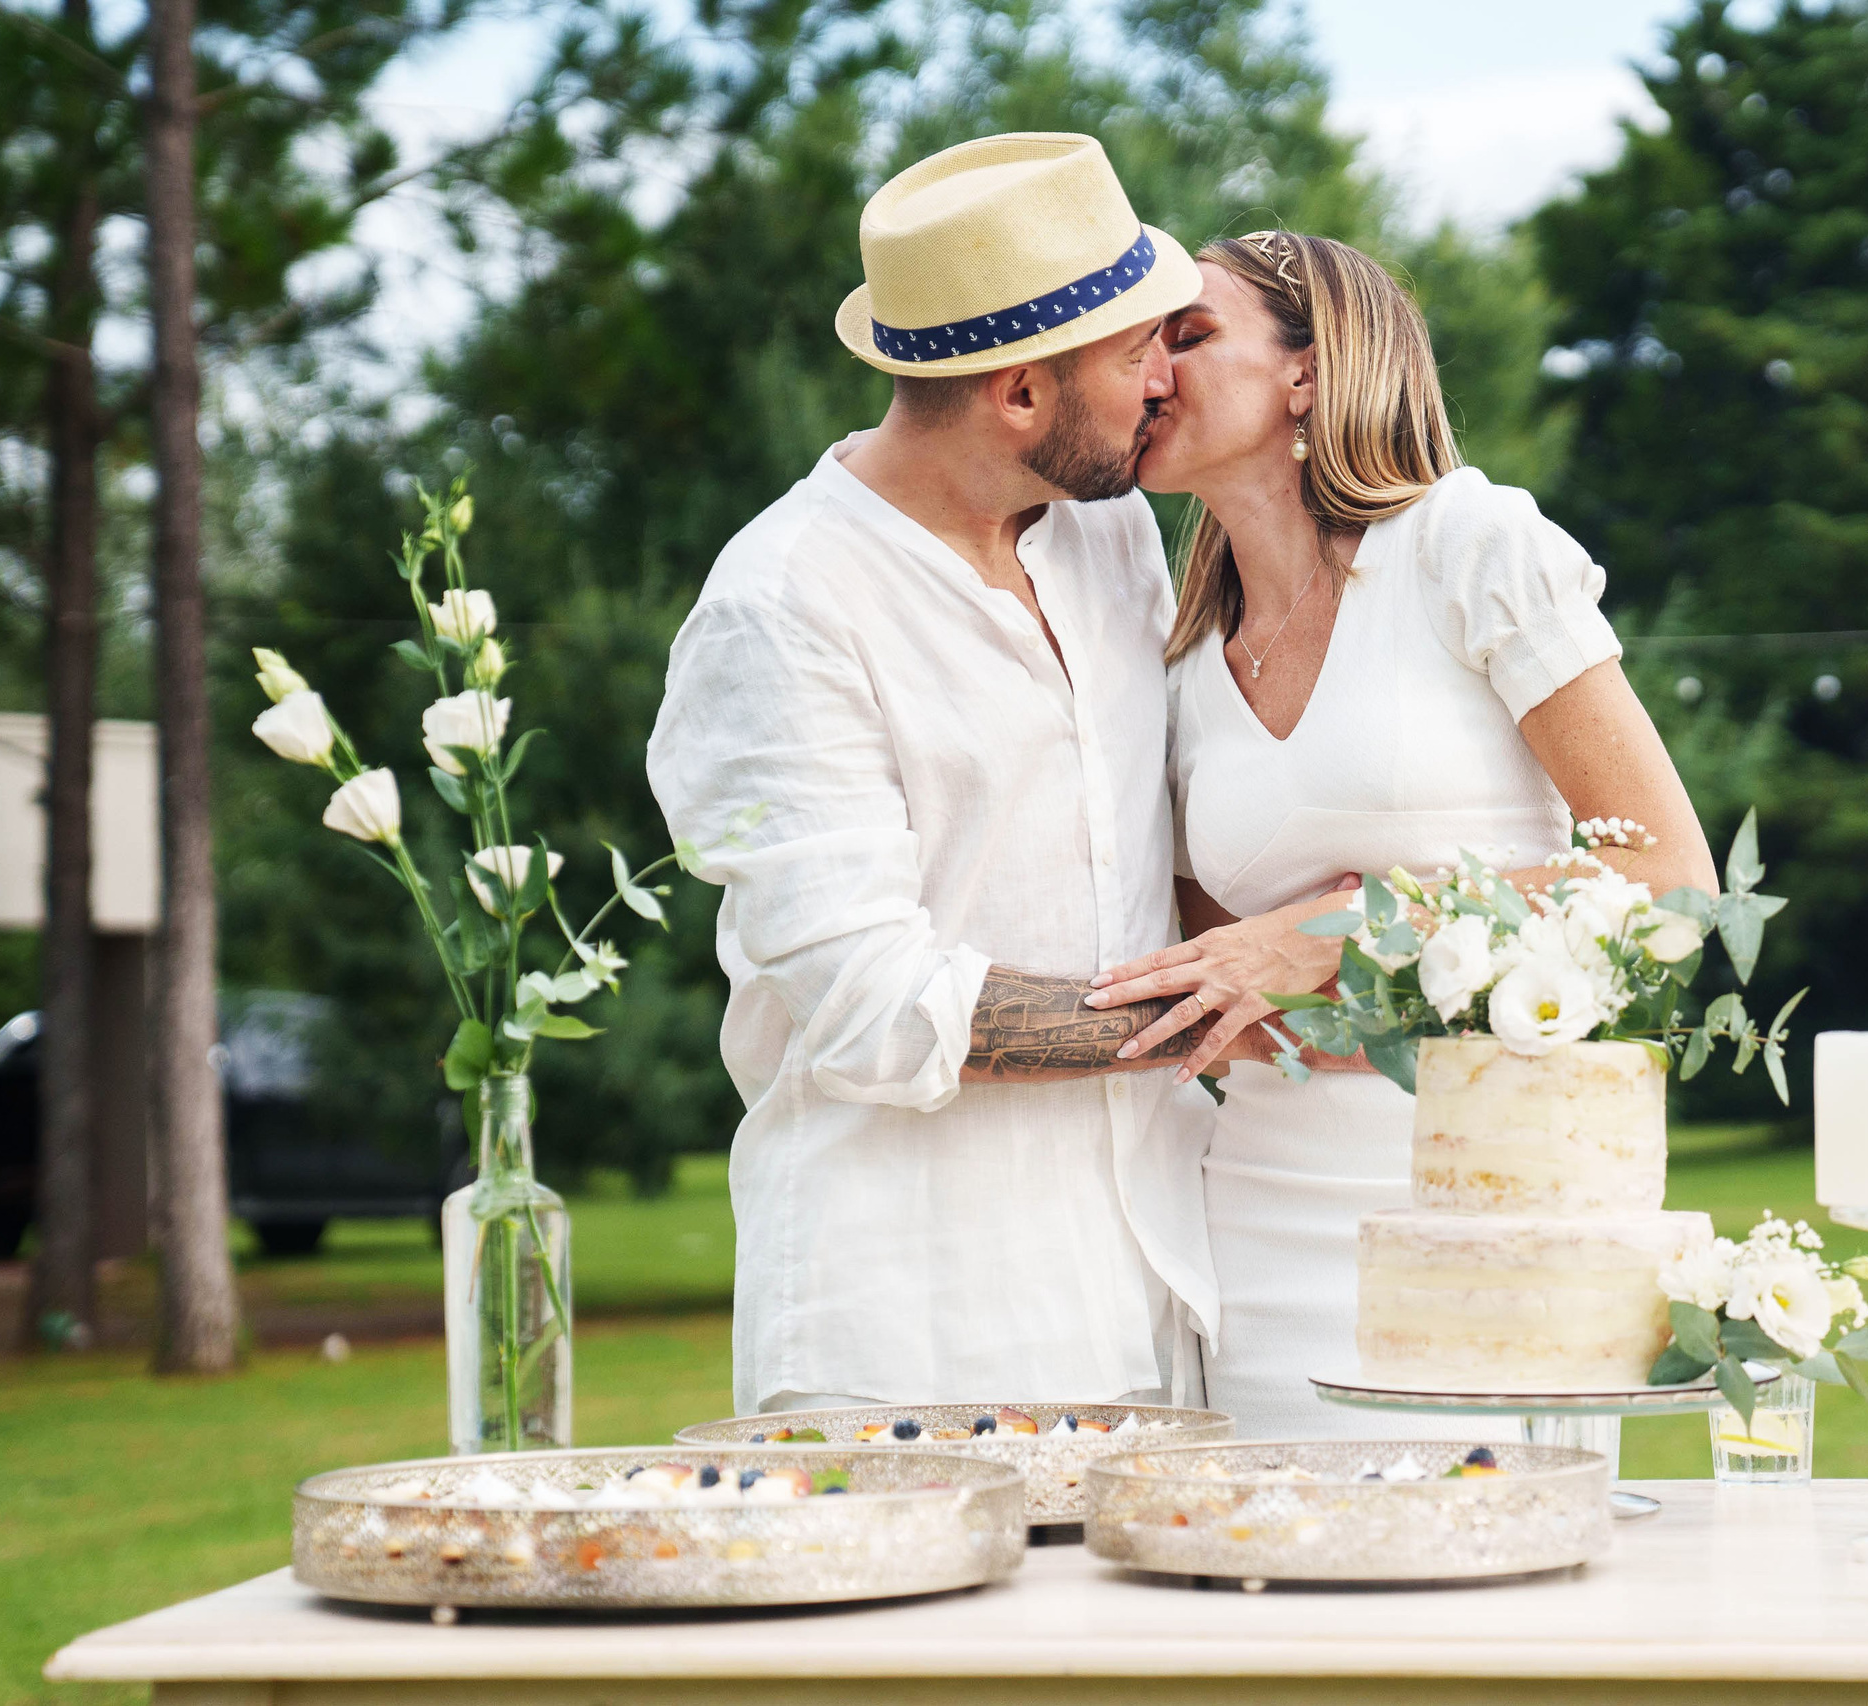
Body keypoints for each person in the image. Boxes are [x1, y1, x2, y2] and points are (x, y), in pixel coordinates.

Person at [647, 133, 1244, 1418]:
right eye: (1136, 348)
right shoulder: (783, 605)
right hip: (916, 1310)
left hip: (1158, 1263)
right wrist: (1223, 1005)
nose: (1165, 375)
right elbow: (868, 999)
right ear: (1020, 392)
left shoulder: (1110, 529)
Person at [1089, 231, 1719, 1436]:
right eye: (1144, 344)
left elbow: (1664, 873)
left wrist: (1339, 932)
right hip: (1255, 1209)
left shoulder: (1471, 549)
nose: (1150, 370)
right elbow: (1220, 960)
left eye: (1190, 333)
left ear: (1309, 373)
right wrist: (1292, 988)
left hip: (1479, 1198)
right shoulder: (1175, 653)